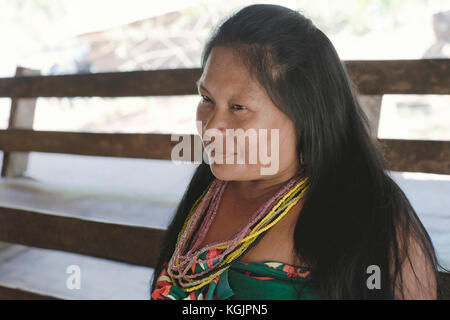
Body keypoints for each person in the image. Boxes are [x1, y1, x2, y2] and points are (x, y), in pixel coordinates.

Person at [150, 4, 442, 300]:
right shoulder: (209, 189)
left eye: (238, 108)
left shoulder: (366, 214)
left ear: (305, 117)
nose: (211, 126)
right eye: (206, 98)